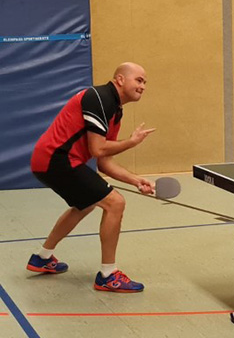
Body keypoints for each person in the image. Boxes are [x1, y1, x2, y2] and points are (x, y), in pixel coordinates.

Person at [27, 63, 156, 293]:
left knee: (85, 204)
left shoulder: (115, 110)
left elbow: (104, 161)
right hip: (56, 159)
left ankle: (42, 258)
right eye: (138, 80)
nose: (143, 86)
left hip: (55, 160)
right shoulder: (99, 98)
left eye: (145, 82)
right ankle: (108, 275)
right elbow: (98, 149)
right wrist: (131, 142)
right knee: (115, 203)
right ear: (120, 79)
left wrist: (137, 180)